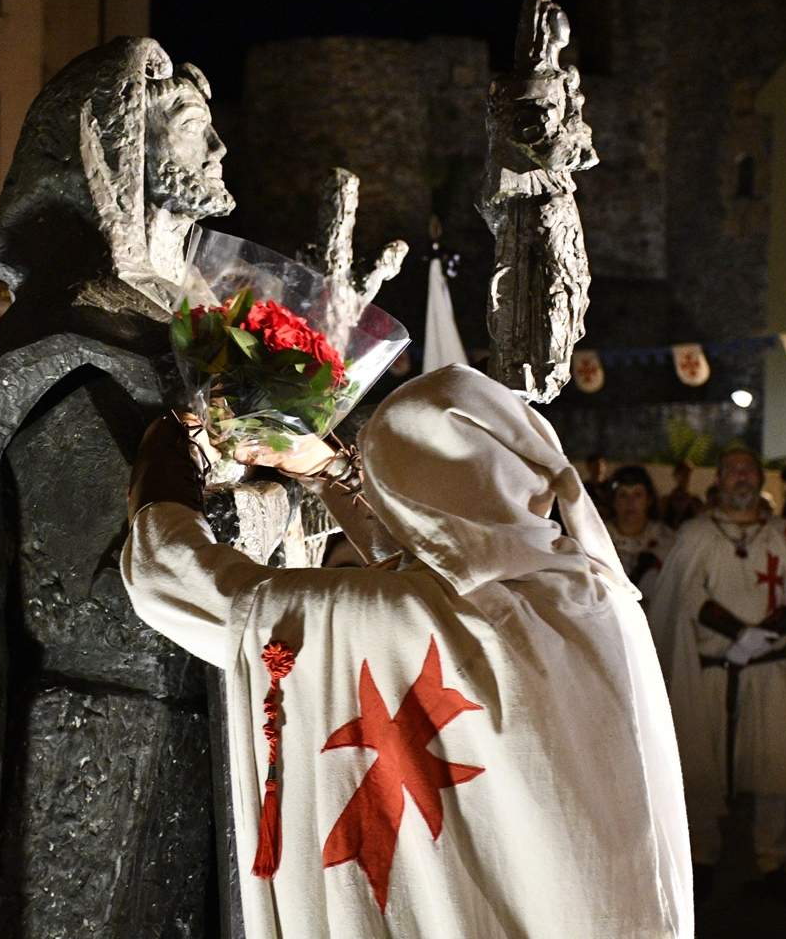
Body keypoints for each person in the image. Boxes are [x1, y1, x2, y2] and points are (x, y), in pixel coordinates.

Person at [122, 366, 692, 937]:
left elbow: (172, 578)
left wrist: (167, 445)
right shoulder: (592, 590)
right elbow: (441, 563)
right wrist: (329, 471)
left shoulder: (426, 619)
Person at [650, 447, 786, 902]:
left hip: (767, 668)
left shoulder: (783, 535)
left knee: (776, 768)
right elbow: (687, 597)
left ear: (759, 479)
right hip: (711, 670)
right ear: (719, 479)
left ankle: (772, 861)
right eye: (733, 471)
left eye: (748, 470)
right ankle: (701, 862)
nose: (741, 478)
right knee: (701, 767)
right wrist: (735, 636)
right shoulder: (695, 534)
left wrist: (758, 638)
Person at [606, 465, 675, 610]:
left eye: (637, 494)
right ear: (613, 501)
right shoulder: (596, 538)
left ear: (648, 500)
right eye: (623, 495)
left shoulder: (667, 540)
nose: (630, 502)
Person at [661, 460, 704, 529]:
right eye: (681, 474)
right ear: (675, 475)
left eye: (687, 474)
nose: (684, 478)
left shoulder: (695, 502)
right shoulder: (665, 501)